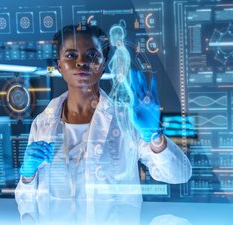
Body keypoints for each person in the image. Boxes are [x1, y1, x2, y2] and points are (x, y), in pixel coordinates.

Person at [15, 23, 192, 224]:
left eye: (92, 55)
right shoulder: (42, 123)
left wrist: (155, 137)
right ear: (59, 65)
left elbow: (180, 174)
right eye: (71, 55)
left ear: (103, 63)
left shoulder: (126, 120)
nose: (81, 62)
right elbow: (26, 202)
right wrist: (27, 177)